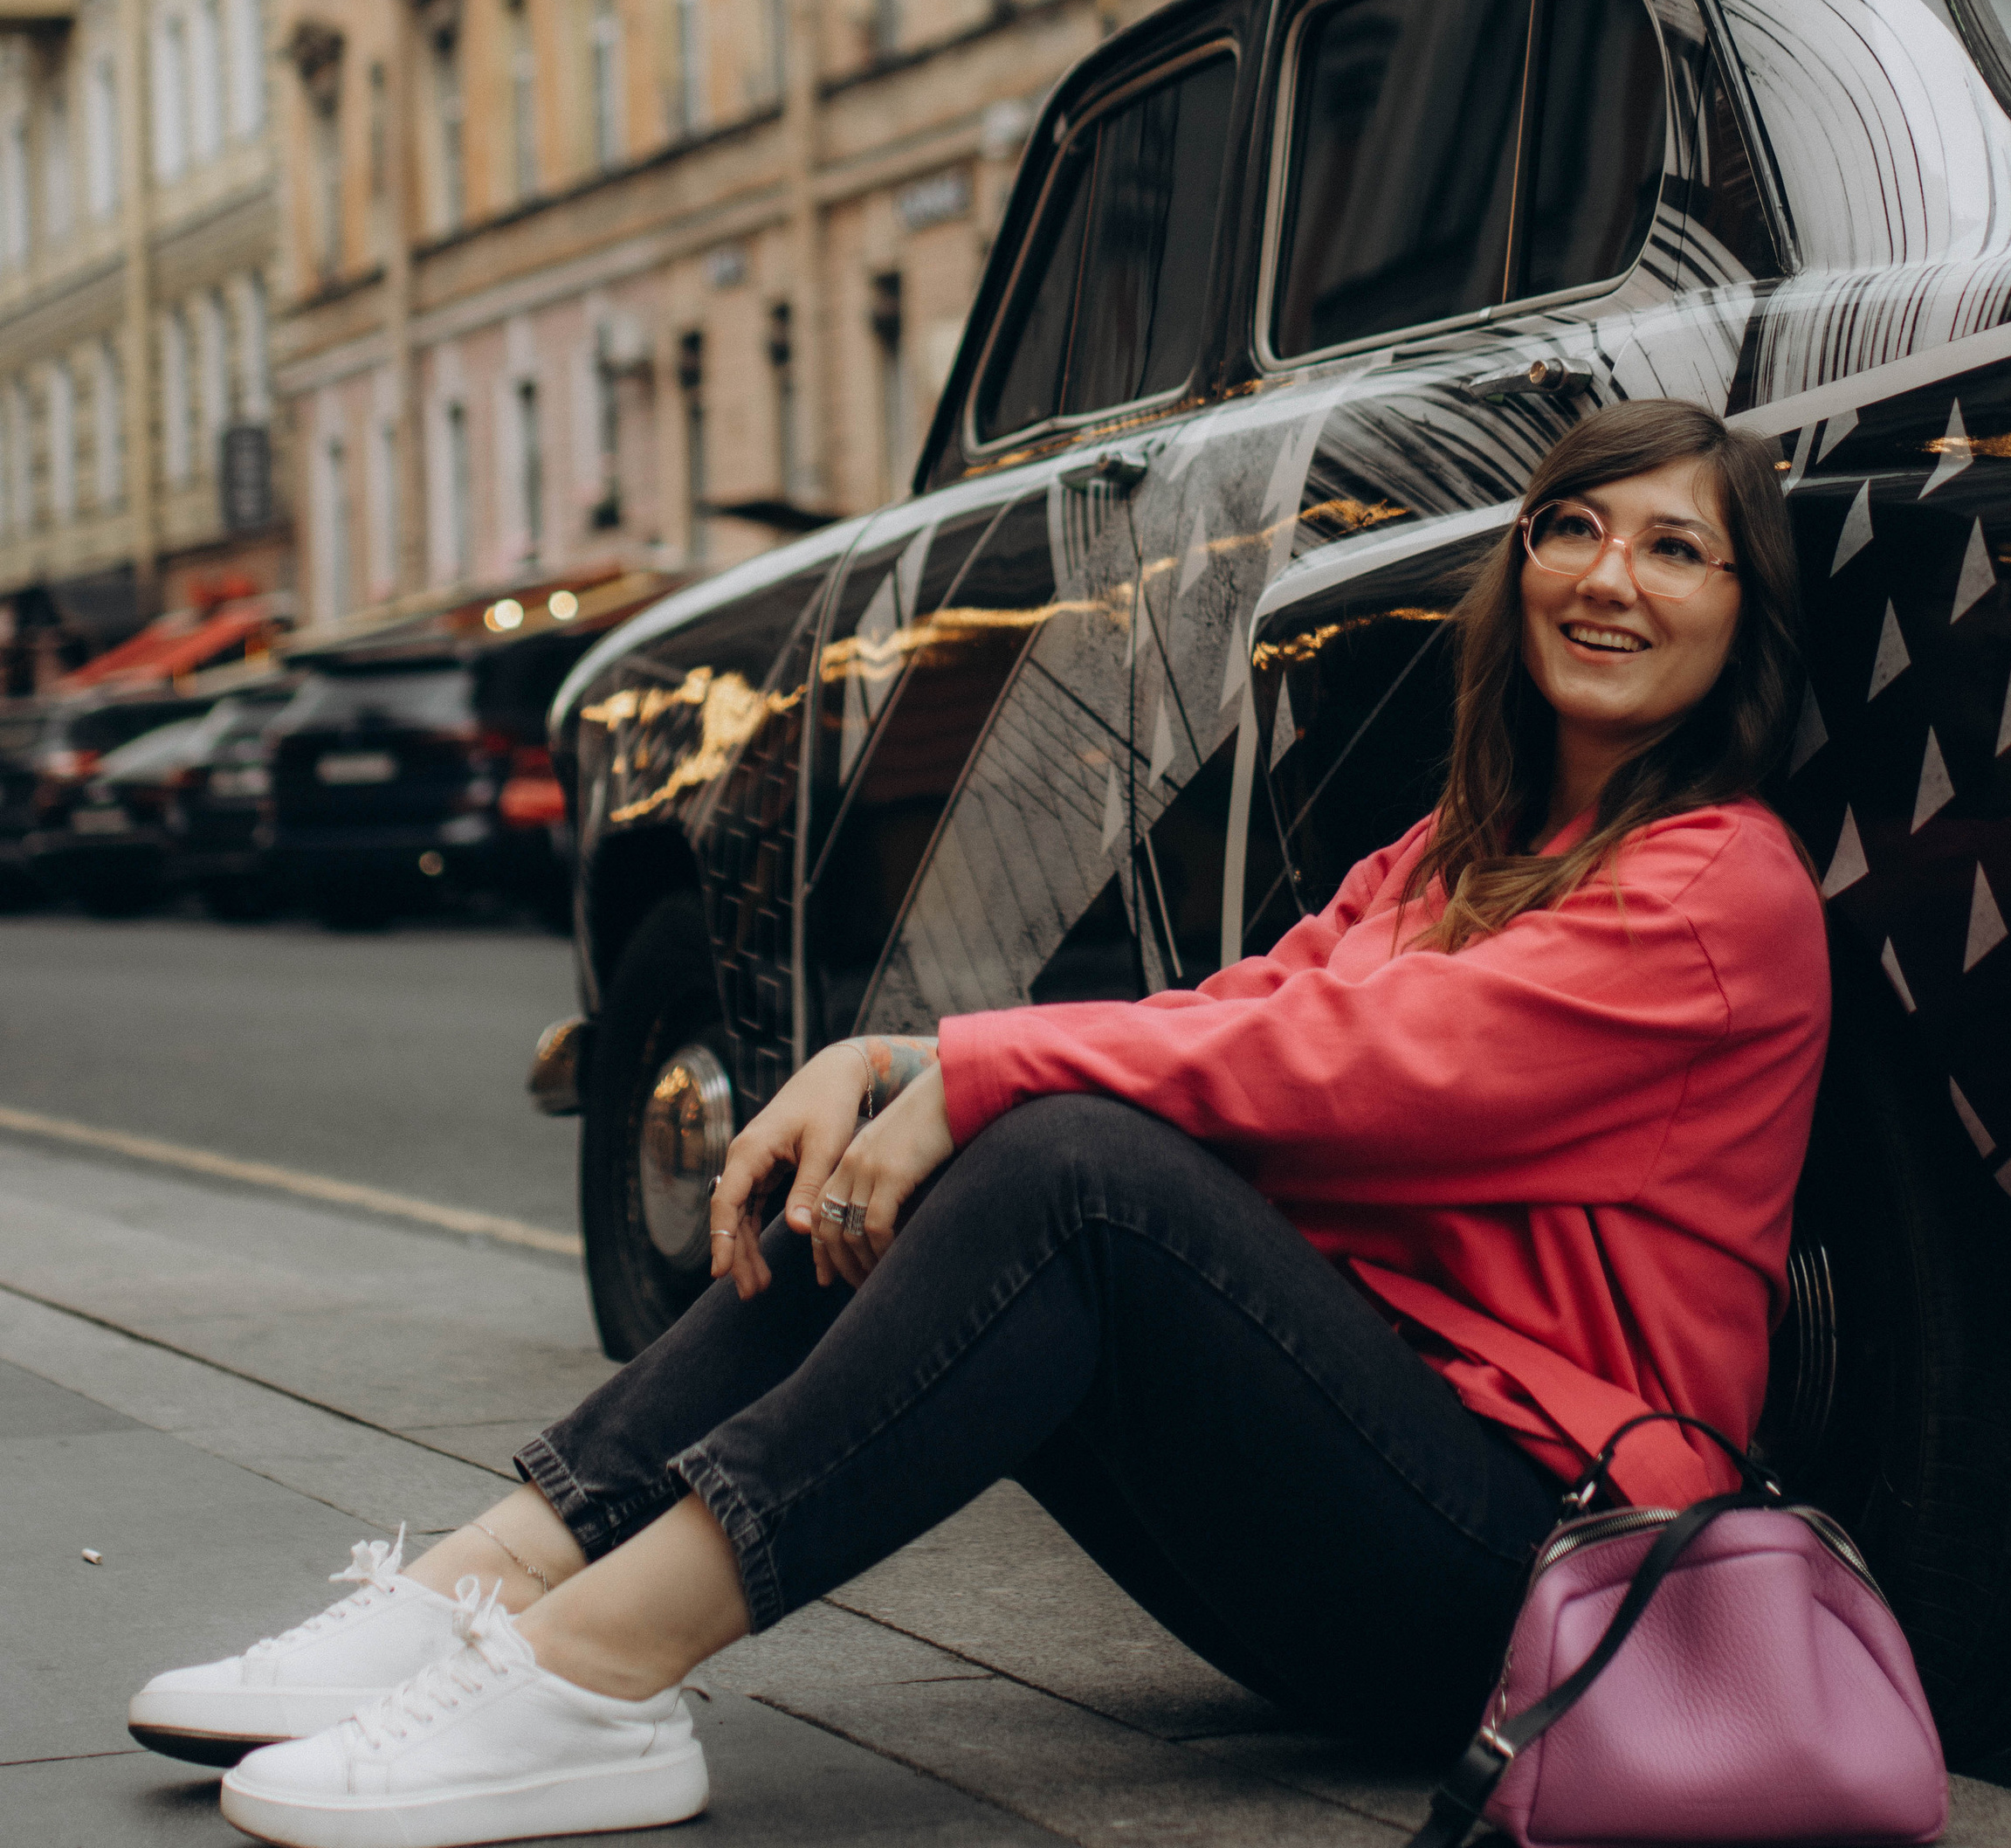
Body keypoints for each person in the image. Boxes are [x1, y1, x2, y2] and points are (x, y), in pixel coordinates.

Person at [134, 398, 1832, 1848]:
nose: (1609, 577)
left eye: (1675, 550)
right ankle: (474, 1595)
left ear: (1744, 616)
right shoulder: (1448, 856)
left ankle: (589, 1681)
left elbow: (1340, 1063)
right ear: (1516, 567)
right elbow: (1222, 1016)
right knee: (992, 1133)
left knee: (1064, 1166)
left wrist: (973, 1073)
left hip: (1535, 1585)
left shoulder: (1716, 893)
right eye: (1570, 529)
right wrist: (904, 1064)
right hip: (1365, 1497)